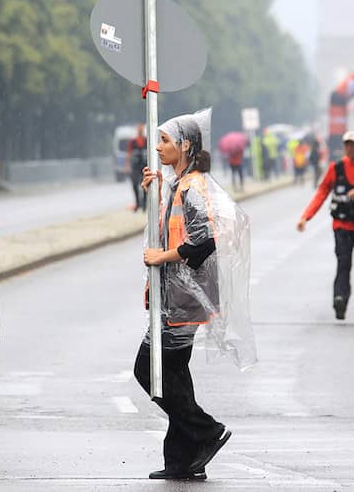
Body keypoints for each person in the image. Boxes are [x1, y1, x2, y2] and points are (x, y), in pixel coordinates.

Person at [136, 109, 255, 481]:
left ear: (185, 145)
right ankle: (184, 462)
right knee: (174, 375)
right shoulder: (180, 183)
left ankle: (206, 430)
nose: (157, 147)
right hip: (176, 295)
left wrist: (163, 256)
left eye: (165, 141)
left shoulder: (193, 186)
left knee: (148, 370)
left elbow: (204, 240)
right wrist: (157, 187)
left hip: (183, 297)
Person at [297, 131, 354, 324]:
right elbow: (322, 192)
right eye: (347, 144)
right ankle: (340, 299)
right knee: (343, 263)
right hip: (342, 226)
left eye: (353, 144)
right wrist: (306, 217)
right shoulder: (336, 168)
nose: (349, 148)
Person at [127, 123, 149, 211]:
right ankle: (137, 203)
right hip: (135, 166)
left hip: (144, 165)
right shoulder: (133, 142)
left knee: (144, 185)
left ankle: (144, 204)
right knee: (135, 185)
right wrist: (127, 165)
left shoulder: (146, 141)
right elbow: (129, 153)